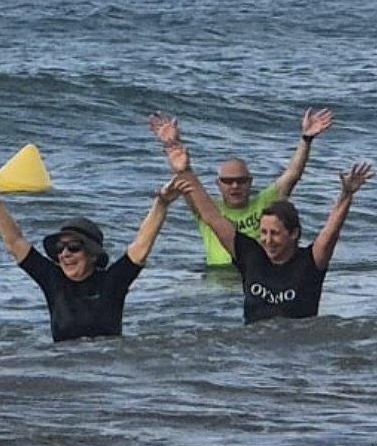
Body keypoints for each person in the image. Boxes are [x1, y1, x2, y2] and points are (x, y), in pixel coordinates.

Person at [157, 134, 372, 324]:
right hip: (253, 350)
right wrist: (184, 171)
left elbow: (331, 233)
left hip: (299, 348)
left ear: (294, 234)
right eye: (264, 233)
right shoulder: (250, 256)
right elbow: (212, 217)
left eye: (275, 233)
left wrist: (346, 195)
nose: (267, 240)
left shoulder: (310, 261)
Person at [0, 159, 184, 343]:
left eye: (74, 247)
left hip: (109, 369)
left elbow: (141, 247)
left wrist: (161, 204)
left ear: (92, 254)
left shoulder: (111, 282)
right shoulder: (53, 280)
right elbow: (15, 242)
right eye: (60, 248)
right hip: (64, 370)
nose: (65, 254)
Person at [148, 108, 334, 267]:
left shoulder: (265, 202)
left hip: (257, 279)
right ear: (218, 184)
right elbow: (186, 176)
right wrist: (173, 144)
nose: (235, 186)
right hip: (218, 281)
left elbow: (292, 174)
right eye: (228, 181)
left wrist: (306, 139)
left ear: (250, 182)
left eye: (241, 181)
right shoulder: (209, 210)